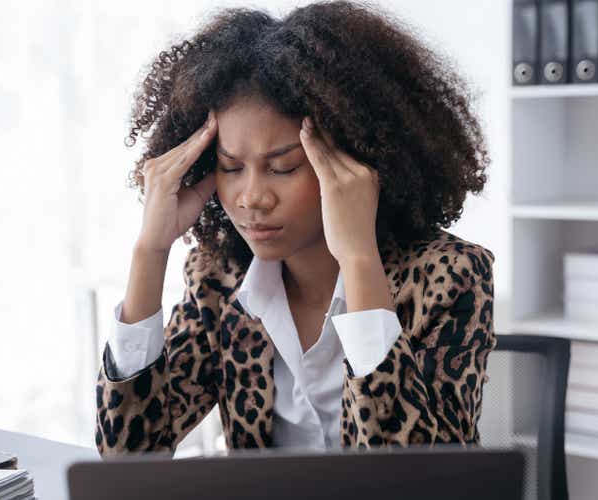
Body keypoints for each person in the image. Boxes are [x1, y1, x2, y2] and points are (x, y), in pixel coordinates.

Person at [95, 0, 496, 455]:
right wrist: (150, 250)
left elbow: (424, 481)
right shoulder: (218, 280)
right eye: (230, 167)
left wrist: (360, 261)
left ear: (353, 165)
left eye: (282, 168)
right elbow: (129, 456)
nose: (251, 197)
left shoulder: (449, 277)